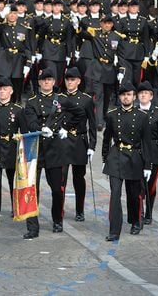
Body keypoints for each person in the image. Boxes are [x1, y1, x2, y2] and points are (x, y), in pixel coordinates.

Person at [23, 68, 83, 239]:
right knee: (32, 190)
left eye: (50, 80)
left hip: (55, 149)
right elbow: (30, 120)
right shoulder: (32, 101)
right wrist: (41, 128)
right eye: (44, 80)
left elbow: (79, 113)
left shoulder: (62, 99)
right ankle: (33, 227)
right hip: (37, 147)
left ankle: (57, 219)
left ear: (54, 82)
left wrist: (66, 127)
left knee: (57, 189)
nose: (47, 82)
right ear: (40, 82)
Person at [102, 82, 152, 241]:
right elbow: (106, 139)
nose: (126, 97)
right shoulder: (112, 114)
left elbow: (147, 142)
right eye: (123, 95)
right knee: (115, 195)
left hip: (134, 157)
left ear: (134, 97)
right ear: (119, 97)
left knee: (133, 194)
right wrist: (105, 158)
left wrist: (147, 165)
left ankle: (135, 221)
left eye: (129, 94)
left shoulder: (142, 116)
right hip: (116, 156)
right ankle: (114, 230)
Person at [60, 67, 97, 222]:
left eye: (73, 79)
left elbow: (93, 124)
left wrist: (92, 145)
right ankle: (59, 210)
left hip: (79, 141)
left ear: (79, 81)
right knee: (61, 178)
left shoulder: (86, 100)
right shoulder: (59, 97)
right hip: (62, 141)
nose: (70, 82)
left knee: (78, 179)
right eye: (68, 79)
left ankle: (79, 210)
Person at [0, 77, 27, 222]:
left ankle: (15, 207)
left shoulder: (17, 110)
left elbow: (23, 131)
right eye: (0, 90)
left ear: (11, 91)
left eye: (5, 89)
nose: (2, 92)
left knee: (14, 180)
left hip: (11, 147)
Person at [137, 81, 158, 225]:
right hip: (138, 153)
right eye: (141, 93)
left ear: (151, 96)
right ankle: (140, 212)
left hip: (154, 153)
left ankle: (148, 212)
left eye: (146, 93)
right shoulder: (134, 110)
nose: (143, 95)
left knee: (150, 187)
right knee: (139, 186)